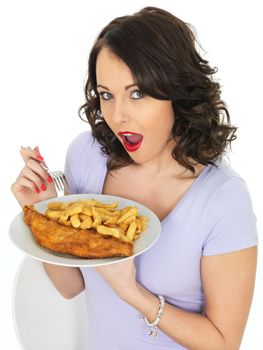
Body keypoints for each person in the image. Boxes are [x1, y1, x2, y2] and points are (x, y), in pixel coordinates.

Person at [11, 6, 258, 350]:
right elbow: (71, 286)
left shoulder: (223, 198)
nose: (118, 116)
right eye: (107, 95)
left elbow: (224, 343)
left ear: (176, 91)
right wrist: (40, 213)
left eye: (137, 93)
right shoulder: (86, 157)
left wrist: (131, 292)